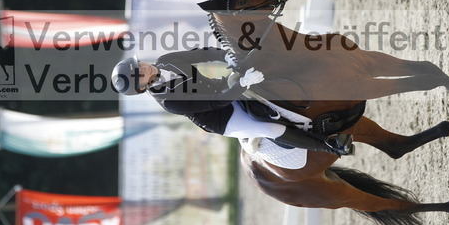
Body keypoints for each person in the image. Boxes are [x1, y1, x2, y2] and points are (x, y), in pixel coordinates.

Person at [111, 47, 354, 156]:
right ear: (141, 87)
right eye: (139, 74)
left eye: (138, 65)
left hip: (223, 87)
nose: (143, 67)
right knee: (270, 128)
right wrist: (242, 84)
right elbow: (215, 102)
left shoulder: (166, 60)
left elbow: (202, 53)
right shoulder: (170, 101)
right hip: (224, 117)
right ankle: (331, 146)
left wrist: (225, 56)